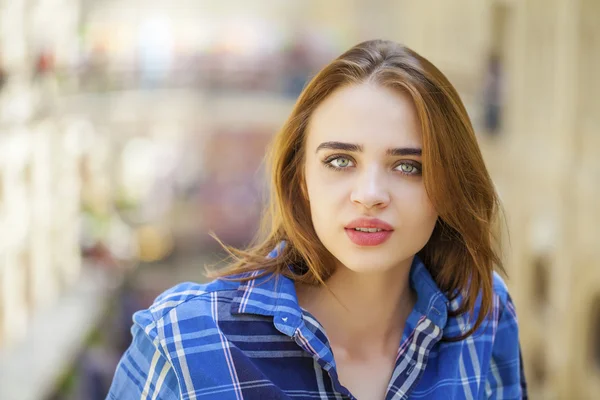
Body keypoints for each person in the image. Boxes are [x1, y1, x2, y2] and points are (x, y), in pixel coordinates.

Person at [107, 40, 527, 400]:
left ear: (449, 184)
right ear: (301, 178)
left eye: (408, 167)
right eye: (340, 161)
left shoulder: (482, 316)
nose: (369, 195)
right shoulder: (183, 343)